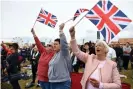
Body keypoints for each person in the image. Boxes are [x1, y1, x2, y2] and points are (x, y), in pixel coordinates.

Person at [48, 23, 72, 89]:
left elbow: (64, 44)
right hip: (53, 82)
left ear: (61, 45)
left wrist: (61, 30)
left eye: (56, 44)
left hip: (62, 82)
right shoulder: (55, 54)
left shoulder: (63, 53)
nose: (54, 45)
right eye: (54, 44)